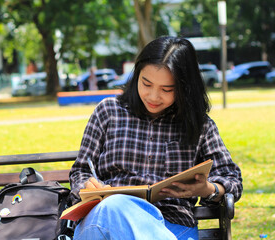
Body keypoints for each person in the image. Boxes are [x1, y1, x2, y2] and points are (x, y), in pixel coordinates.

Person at [69, 36, 242, 240]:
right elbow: (80, 171)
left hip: (172, 224)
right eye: (146, 83)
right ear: (136, 76)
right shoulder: (108, 111)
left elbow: (233, 180)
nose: (153, 96)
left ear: (185, 88)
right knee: (114, 206)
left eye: (166, 90)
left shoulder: (200, 125)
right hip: (103, 220)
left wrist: (208, 189)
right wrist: (87, 185)